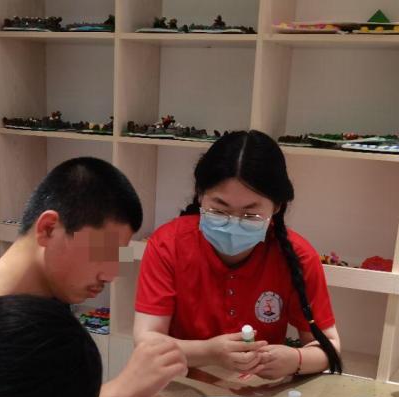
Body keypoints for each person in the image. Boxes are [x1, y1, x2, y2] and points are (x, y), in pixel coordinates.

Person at [0, 157, 186, 397]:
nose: (111, 274)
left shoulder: (55, 311)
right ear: (49, 228)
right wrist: (120, 391)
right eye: (104, 252)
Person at [132, 130, 342, 379]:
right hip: (180, 385)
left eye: (250, 214)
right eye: (219, 210)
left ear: (276, 207)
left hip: (259, 393)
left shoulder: (298, 256)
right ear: (200, 195)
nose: (233, 223)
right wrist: (210, 352)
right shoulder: (168, 244)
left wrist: (296, 360)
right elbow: (146, 342)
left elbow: (330, 346)